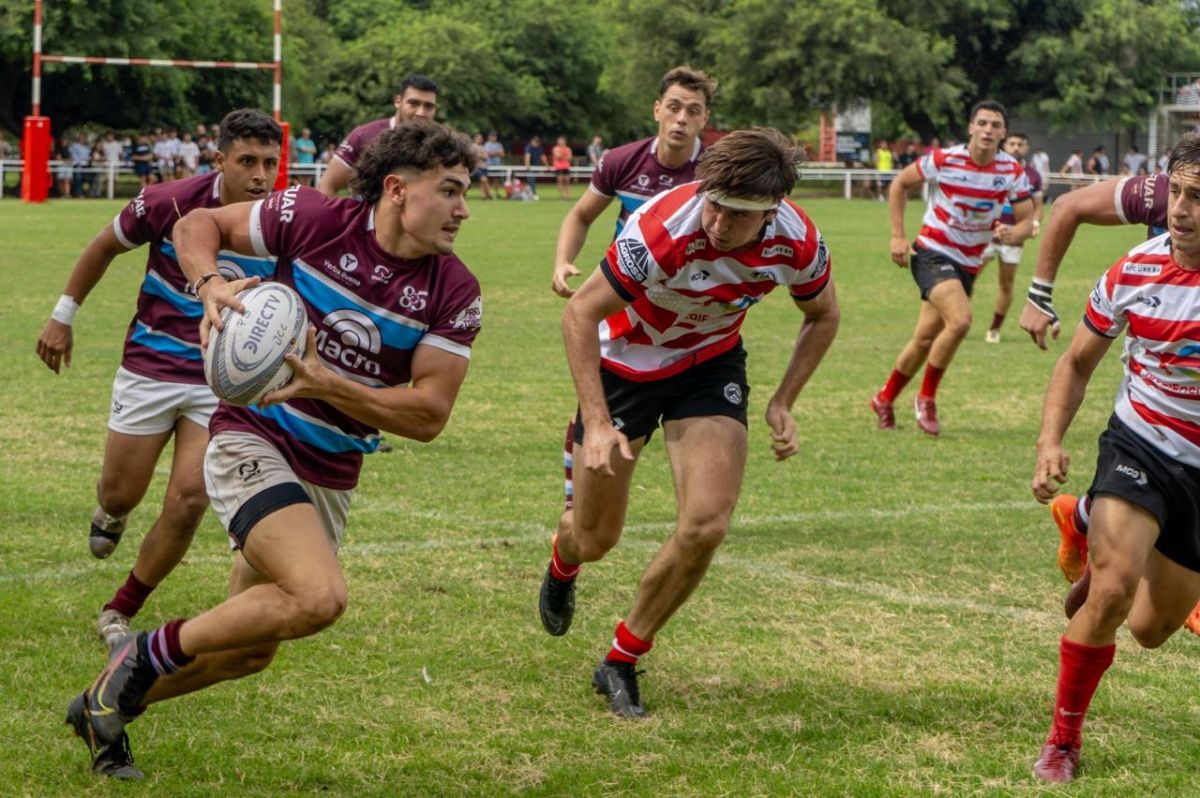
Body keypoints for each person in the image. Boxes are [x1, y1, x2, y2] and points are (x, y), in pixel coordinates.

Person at [64, 121, 483, 779]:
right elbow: (195, 226)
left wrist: (327, 383)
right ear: (398, 189)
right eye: (451, 191)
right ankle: (144, 653)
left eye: (467, 194)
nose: (463, 209)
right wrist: (209, 286)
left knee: (250, 650)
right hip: (251, 436)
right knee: (318, 598)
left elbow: (429, 414)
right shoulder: (314, 216)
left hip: (330, 469)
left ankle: (99, 702)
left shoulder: (453, 291)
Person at [538, 127, 840, 718]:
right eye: (714, 205)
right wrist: (596, 423)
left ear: (772, 212)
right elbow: (580, 313)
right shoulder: (664, 226)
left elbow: (823, 315)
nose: (718, 223)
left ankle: (621, 658)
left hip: (707, 365)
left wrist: (784, 400)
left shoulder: (798, 242)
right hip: (624, 364)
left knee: (706, 524)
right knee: (597, 538)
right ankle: (563, 555)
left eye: (737, 216)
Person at [40, 110, 283, 778]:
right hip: (149, 367)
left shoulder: (285, 221)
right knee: (123, 491)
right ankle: (111, 513)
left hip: (219, 380)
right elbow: (101, 247)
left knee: (190, 496)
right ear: (220, 157)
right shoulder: (170, 202)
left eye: (271, 163)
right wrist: (63, 317)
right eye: (248, 162)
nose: (260, 176)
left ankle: (122, 610)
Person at [1028, 134, 1200, 784]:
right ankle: (1062, 743)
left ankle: (1086, 518)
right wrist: (1049, 442)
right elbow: (1074, 364)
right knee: (1111, 592)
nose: (1181, 210)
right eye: (1176, 192)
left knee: (1153, 629)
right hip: (1140, 444)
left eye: (1198, 198)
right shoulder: (1134, 270)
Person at [868, 100, 1033, 436]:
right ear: (971, 127)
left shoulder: (1011, 171)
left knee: (925, 338)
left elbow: (1027, 221)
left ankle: (884, 398)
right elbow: (899, 184)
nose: (988, 130)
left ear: (1003, 133)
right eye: (983, 123)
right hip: (932, 252)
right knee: (960, 322)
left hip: (968, 262)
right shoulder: (945, 159)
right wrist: (898, 237)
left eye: (995, 125)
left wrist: (1010, 233)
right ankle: (926, 398)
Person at [551, 65, 716, 298]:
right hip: (624, 285)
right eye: (673, 107)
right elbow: (581, 216)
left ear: (705, 118)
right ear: (657, 110)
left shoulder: (718, 173)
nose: (681, 119)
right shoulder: (621, 161)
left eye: (693, 111)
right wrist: (562, 262)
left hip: (688, 294)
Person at [317, 74, 438, 197]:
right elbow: (327, 186)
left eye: (429, 106)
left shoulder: (440, 145)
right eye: (413, 103)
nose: (421, 112)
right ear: (398, 102)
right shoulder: (364, 136)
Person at [980, 133, 1045, 342]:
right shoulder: (991, 167)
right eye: (1012, 144)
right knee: (966, 279)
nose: (1016, 147)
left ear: (1026, 148)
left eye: (1020, 144)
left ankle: (994, 329)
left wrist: (1034, 224)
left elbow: (1038, 206)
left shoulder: (1033, 175)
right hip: (986, 234)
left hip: (1014, 236)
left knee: (1006, 284)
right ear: (1004, 145)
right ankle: (954, 321)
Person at [471, 132, 493, 199]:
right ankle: (489, 195)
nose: (479, 140)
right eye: (478, 138)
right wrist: (481, 156)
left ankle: (483, 196)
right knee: (484, 180)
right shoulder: (473, 146)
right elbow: (473, 156)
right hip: (476, 167)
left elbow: (486, 157)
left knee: (482, 183)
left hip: (484, 167)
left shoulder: (483, 147)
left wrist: (481, 156)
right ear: (474, 139)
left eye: (481, 139)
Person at [552, 135, 573, 200]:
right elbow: (558, 156)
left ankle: (568, 196)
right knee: (560, 181)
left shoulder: (568, 148)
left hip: (566, 167)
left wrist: (563, 157)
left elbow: (570, 158)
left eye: (562, 140)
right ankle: (562, 196)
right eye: (559, 140)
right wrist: (565, 157)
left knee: (567, 181)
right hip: (559, 167)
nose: (560, 142)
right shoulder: (556, 148)